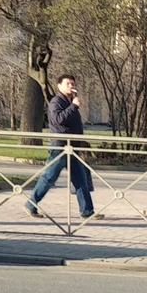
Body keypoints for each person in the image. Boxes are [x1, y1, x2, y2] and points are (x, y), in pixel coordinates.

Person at [26, 75, 98, 220]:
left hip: (72, 147)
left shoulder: (69, 102)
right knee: (49, 178)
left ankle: (87, 211)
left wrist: (80, 142)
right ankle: (31, 204)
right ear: (59, 86)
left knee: (80, 179)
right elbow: (59, 119)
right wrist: (74, 107)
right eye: (68, 84)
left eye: (72, 83)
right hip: (60, 147)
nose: (71, 86)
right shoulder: (56, 102)